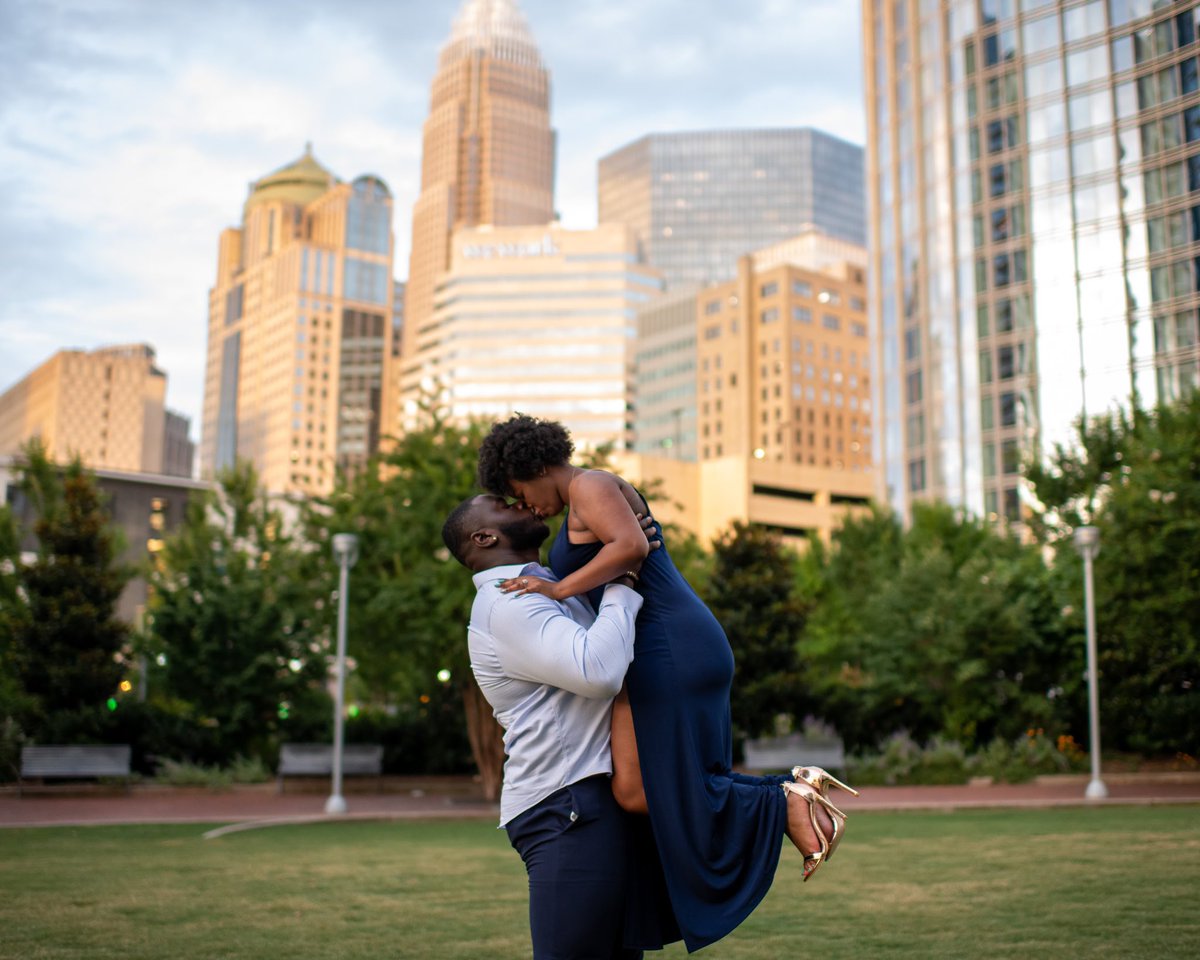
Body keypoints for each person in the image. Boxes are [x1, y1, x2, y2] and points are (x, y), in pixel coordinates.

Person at [476, 415, 855, 954]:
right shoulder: (581, 502)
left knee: (647, 784)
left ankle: (783, 802)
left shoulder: (590, 485)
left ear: (535, 467)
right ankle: (786, 793)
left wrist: (557, 592)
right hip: (654, 647)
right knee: (634, 790)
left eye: (520, 492)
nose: (528, 506)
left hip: (667, 643)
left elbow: (630, 547)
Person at [441, 492, 656, 959]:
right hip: (565, 804)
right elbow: (598, 672)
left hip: (589, 800)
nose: (521, 502)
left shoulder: (545, 586)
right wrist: (622, 582)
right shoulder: (509, 603)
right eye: (503, 503)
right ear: (483, 537)